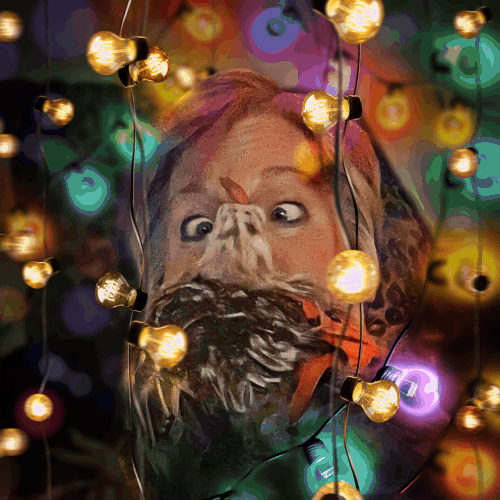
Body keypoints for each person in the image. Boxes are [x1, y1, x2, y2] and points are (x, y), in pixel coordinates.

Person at [122, 68, 434, 500]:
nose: (234, 245)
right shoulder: (143, 456)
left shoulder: (410, 430)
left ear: (360, 245)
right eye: (198, 226)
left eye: (283, 213)